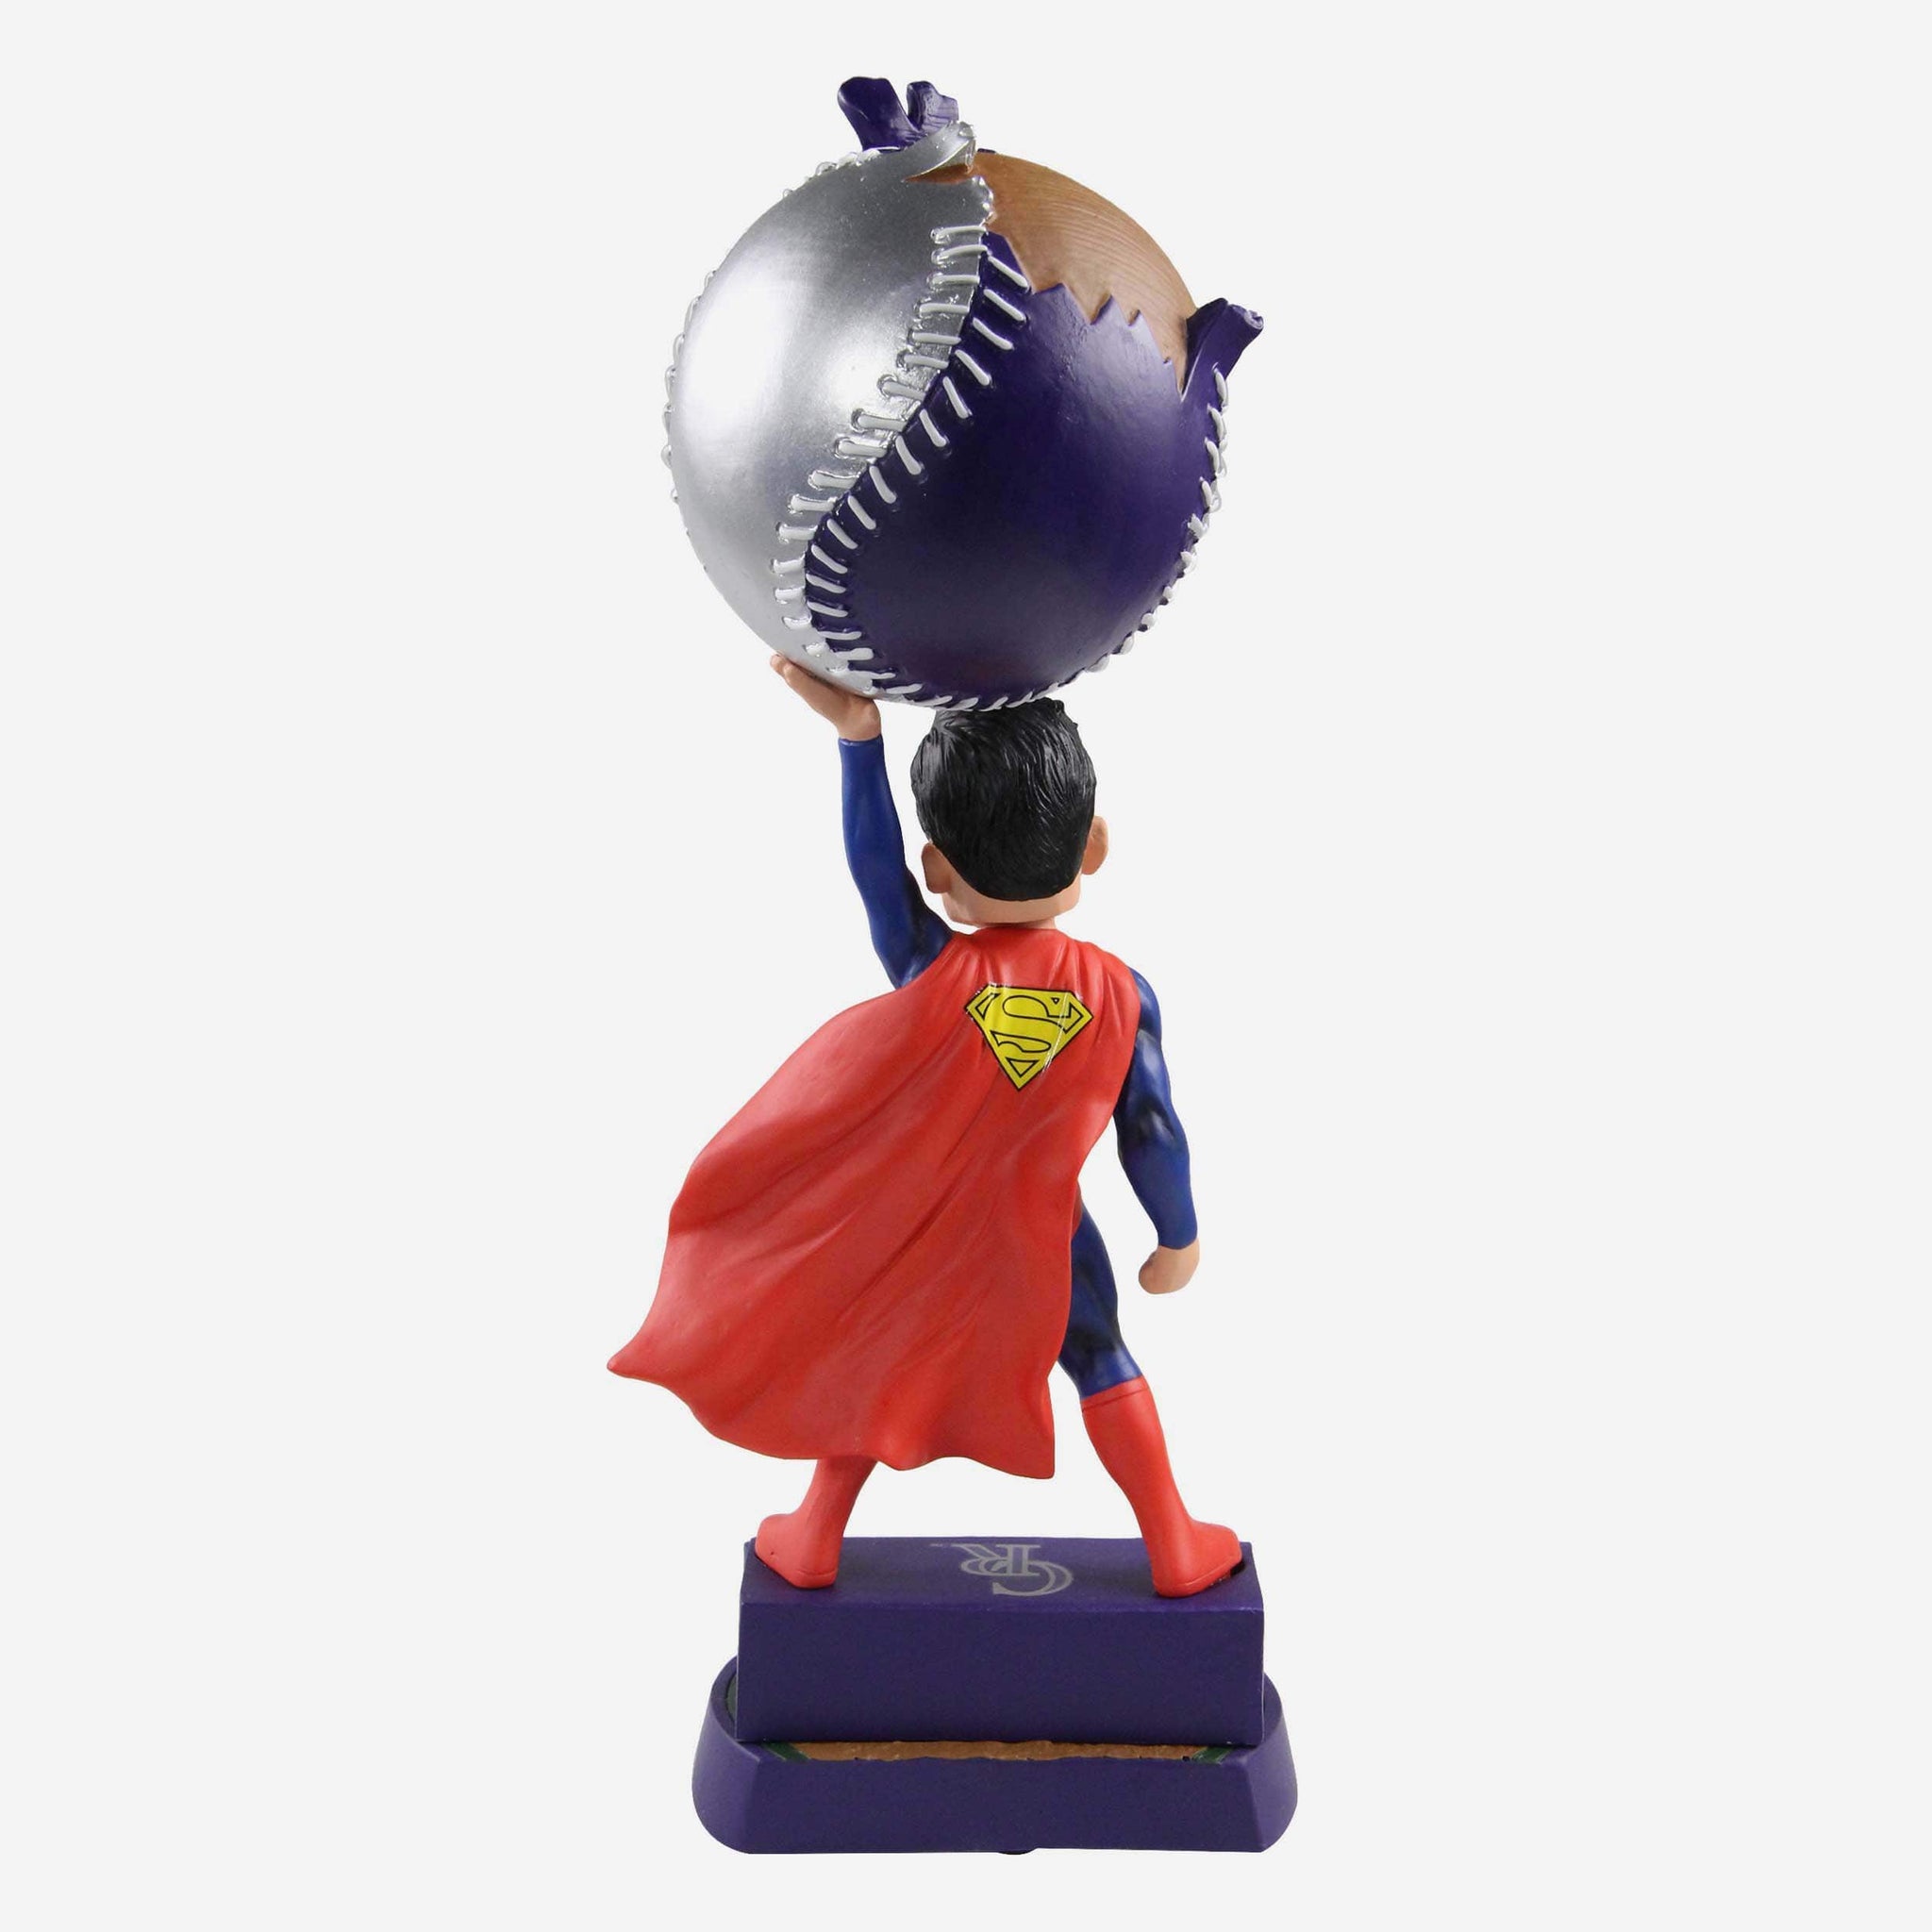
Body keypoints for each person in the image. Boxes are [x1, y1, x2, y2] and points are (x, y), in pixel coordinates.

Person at [609, 658, 1240, 1597]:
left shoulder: (930, 966)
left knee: (875, 1359)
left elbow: (875, 874)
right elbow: (1150, 1126)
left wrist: (858, 739)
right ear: (1094, 845)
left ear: (938, 869)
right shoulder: (1122, 994)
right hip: (1045, 1237)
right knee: (1101, 1355)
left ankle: (815, 1535)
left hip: (930, 1237)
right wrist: (1176, 1237)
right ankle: (1173, 1543)